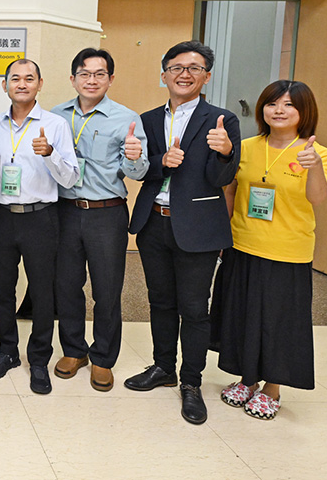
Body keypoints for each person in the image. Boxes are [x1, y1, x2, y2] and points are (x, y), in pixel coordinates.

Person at [125, 40, 239, 426]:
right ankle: (163, 368)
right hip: (154, 222)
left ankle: (191, 382)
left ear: (206, 75)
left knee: (193, 309)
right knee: (160, 303)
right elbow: (141, 167)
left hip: (198, 229)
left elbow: (223, 178)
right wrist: (159, 160)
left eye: (194, 67)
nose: (184, 74)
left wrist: (226, 152)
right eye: (176, 67)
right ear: (164, 75)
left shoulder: (222, 120)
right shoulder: (148, 118)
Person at [212, 80, 327, 420]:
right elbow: (231, 192)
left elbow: (317, 198)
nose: (278, 110)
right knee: (243, 316)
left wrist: (312, 167)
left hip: (288, 251)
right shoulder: (247, 146)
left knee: (278, 322)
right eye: (272, 104)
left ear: (303, 112)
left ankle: (272, 388)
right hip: (243, 244)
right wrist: (225, 236)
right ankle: (246, 379)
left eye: (288, 105)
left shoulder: (318, 153)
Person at [51, 48, 148, 392]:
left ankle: (103, 357)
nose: (91, 80)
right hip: (64, 211)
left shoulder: (126, 118)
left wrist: (135, 157)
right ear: (73, 78)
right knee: (66, 286)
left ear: (110, 78)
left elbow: (137, 172)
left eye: (99, 74)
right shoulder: (55, 117)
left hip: (106, 213)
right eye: (85, 73)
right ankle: (74, 350)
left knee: (107, 290)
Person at [0, 59, 78, 394]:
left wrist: (49, 153)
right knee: (2, 290)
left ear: (40, 84)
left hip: (41, 217)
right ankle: (7, 351)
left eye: (29, 78)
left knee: (42, 291)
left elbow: (71, 176)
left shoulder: (55, 125)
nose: (21, 84)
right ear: (5, 84)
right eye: (15, 78)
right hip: (2, 216)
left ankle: (38, 359)